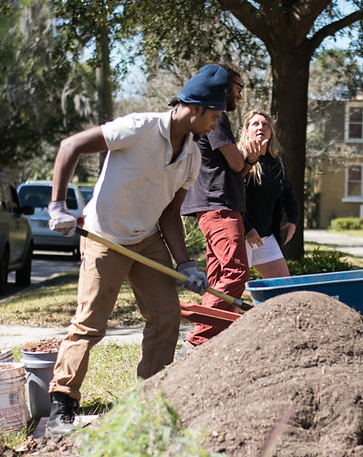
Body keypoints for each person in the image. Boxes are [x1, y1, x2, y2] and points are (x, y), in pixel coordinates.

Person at [42, 64, 228, 434]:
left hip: (145, 239)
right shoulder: (139, 127)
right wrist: (57, 205)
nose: (216, 125)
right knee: (90, 323)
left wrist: (186, 263)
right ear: (195, 108)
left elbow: (171, 215)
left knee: (166, 316)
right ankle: (61, 405)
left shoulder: (192, 156)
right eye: (215, 116)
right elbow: (71, 145)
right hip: (106, 237)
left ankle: (148, 398)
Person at [179, 65, 265, 348]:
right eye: (239, 89)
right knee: (236, 272)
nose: (240, 97)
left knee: (217, 278)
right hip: (219, 208)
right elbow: (237, 164)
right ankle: (198, 340)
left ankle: (209, 341)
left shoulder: (211, 116)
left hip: (216, 208)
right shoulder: (217, 117)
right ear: (227, 86)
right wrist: (250, 157)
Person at [239, 110, 298, 278]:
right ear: (246, 131)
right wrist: (247, 229)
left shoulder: (276, 162)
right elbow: (230, 199)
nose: (261, 127)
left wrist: (293, 220)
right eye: (255, 124)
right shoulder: (238, 158)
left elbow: (288, 193)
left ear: (271, 131)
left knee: (283, 287)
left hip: (264, 237)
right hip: (240, 235)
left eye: (265, 124)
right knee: (231, 291)